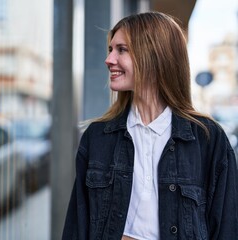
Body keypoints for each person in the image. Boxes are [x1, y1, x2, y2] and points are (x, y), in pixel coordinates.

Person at [62, 11, 238, 240]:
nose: (109, 59)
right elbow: (77, 227)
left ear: (155, 55)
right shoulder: (96, 137)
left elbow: (227, 229)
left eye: (122, 50)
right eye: (110, 49)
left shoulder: (208, 139)